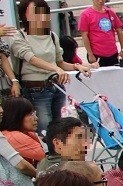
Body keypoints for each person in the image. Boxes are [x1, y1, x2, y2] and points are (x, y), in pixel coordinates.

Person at [10, 0, 93, 134]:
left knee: (60, 128)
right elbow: (31, 59)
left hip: (56, 86)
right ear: (24, 15)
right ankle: (48, 154)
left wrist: (78, 66)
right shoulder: (19, 36)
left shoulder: (51, 35)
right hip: (35, 88)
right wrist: (56, 69)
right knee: (44, 128)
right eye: (32, 12)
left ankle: (58, 153)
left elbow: (60, 63)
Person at [78, 0, 123, 66]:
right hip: (97, 54)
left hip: (113, 53)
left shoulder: (110, 12)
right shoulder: (85, 14)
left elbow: (119, 30)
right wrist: (90, 54)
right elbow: (84, 36)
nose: (100, 1)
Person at [0, 96, 44, 166]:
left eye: (34, 113)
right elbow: (48, 157)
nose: (36, 118)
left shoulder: (27, 133)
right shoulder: (14, 136)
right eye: (30, 114)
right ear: (16, 116)